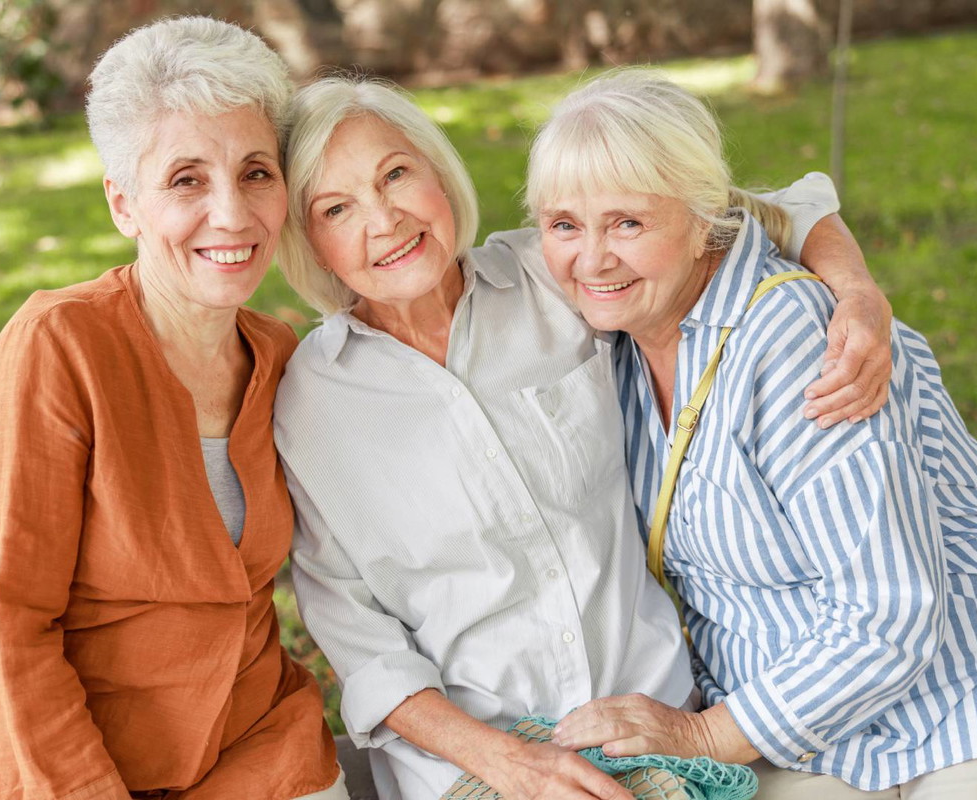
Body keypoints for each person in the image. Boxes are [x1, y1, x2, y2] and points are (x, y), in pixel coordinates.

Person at [273, 74, 894, 800]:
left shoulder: (562, 268)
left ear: (440, 173)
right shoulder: (311, 403)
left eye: (397, 174)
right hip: (476, 768)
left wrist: (856, 291)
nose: (383, 221)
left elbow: (774, 210)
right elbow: (363, 643)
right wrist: (505, 763)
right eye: (337, 208)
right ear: (308, 241)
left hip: (657, 728)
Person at [533, 70, 977, 798]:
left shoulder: (793, 341)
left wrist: (704, 734)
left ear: (703, 221)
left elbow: (890, 612)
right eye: (564, 224)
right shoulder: (628, 331)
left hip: (957, 702)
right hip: (804, 730)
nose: (591, 258)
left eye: (628, 222)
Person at [0, 17, 343, 800]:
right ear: (123, 204)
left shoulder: (280, 354)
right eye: (186, 179)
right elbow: (4, 632)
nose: (234, 214)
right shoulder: (56, 348)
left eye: (255, 172)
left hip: (250, 756)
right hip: (47, 771)